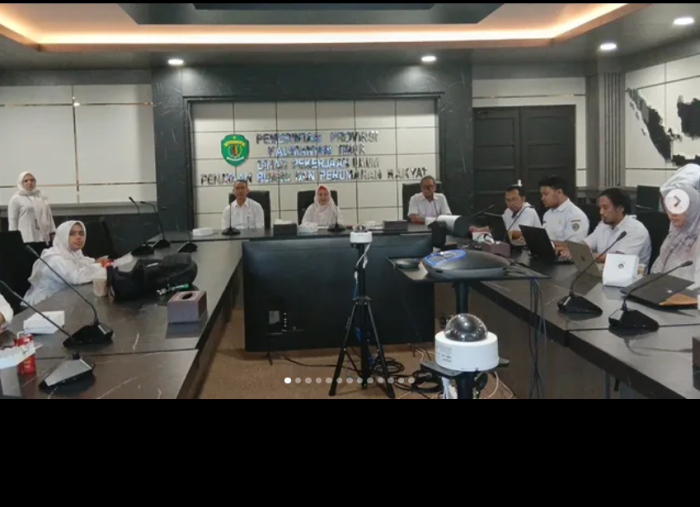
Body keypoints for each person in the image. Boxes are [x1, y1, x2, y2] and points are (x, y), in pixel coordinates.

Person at [24, 221, 105, 306]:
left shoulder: (74, 253)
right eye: (72, 234)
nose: (78, 237)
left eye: (81, 234)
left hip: (60, 301)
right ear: (62, 236)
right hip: (39, 305)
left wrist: (99, 263)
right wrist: (101, 267)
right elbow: (74, 278)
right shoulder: (54, 258)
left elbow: (85, 263)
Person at [567, 188, 652, 265]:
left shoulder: (636, 229)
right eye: (600, 208)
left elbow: (619, 259)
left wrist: (586, 256)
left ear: (620, 208)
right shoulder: (603, 224)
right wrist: (572, 250)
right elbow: (586, 244)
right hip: (603, 271)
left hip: (628, 275)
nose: (601, 212)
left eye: (605, 208)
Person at [650, 185, 700, 289]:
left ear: (693, 208)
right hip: (662, 291)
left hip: (686, 296)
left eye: (680, 207)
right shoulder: (674, 234)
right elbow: (658, 269)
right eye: (670, 208)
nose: (673, 214)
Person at [470, 185, 541, 240]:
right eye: (508, 200)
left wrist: (499, 234)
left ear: (523, 199)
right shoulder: (508, 211)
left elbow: (520, 235)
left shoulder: (528, 211)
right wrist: (478, 230)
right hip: (512, 244)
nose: (511, 203)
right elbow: (499, 227)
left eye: (514, 199)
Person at [8, 172, 57, 250]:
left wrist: (53, 234)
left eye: (32, 180)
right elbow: (13, 220)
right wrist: (13, 240)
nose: (29, 182)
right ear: (21, 183)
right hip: (25, 239)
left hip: (43, 238)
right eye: (26, 181)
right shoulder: (16, 199)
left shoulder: (41, 196)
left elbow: (49, 217)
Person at [540, 175, 590, 246]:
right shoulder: (547, 214)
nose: (542, 198)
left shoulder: (575, 216)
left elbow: (574, 245)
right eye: (542, 195)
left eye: (545, 194)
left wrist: (545, 242)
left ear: (559, 192)